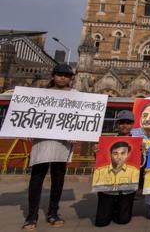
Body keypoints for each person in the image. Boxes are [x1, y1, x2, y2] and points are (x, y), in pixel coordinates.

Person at [23, 63, 76, 231]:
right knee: (37, 178)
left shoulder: (75, 95)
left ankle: (53, 212)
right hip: (42, 141)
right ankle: (32, 216)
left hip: (62, 142)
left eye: (66, 75)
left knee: (58, 178)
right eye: (59, 74)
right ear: (53, 76)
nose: (62, 77)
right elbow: (28, 112)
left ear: (70, 79)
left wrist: (79, 133)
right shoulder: (40, 94)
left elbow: (79, 117)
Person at [93, 110, 138, 227]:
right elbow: (99, 162)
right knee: (101, 222)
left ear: (132, 125)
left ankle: (117, 210)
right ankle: (109, 210)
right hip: (107, 188)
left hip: (127, 187)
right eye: (121, 122)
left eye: (128, 123)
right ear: (117, 124)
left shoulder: (138, 142)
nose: (124, 125)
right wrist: (96, 152)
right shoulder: (107, 141)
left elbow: (141, 165)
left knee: (123, 220)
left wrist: (142, 152)